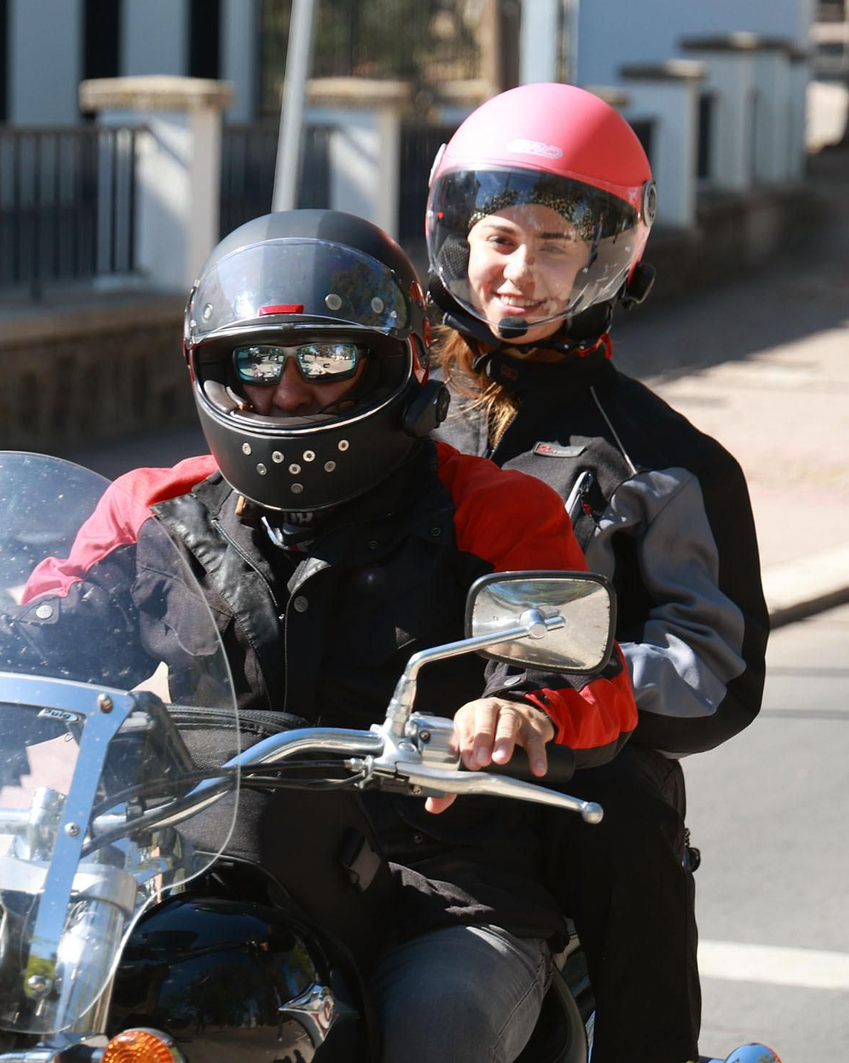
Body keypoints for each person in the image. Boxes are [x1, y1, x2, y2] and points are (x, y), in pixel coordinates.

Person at [0, 209, 639, 1063]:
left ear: (392, 360)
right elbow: (57, 620)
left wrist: (525, 712)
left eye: (328, 357)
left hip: (439, 888)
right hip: (201, 873)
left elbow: (585, 676)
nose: (289, 390)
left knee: (432, 1036)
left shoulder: (493, 510)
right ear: (216, 371)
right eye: (257, 361)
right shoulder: (156, 510)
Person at [424, 83, 769, 1063]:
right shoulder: (393, 419)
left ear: (607, 257)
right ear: (456, 236)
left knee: (619, 814)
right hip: (383, 754)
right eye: (498, 238)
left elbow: (714, 670)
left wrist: (562, 694)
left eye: (553, 244)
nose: (517, 272)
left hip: (560, 778)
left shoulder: (664, 460)